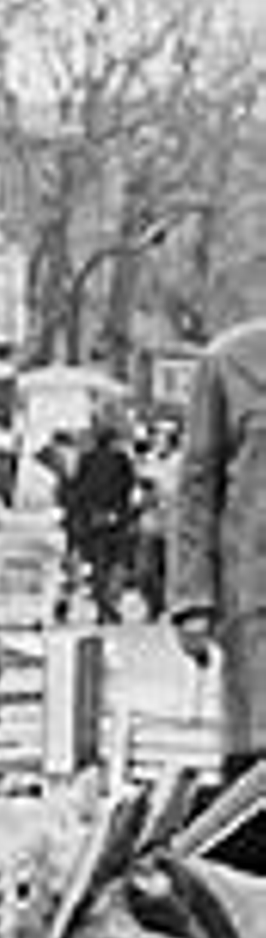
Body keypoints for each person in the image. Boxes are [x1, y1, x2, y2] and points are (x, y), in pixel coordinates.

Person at [170, 317, 266, 779]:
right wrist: (192, 601)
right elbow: (196, 489)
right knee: (254, 774)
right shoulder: (230, 361)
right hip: (255, 602)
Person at [63, 409, 136, 623]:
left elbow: (79, 489)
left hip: (93, 517)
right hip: (115, 517)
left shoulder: (87, 459)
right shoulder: (121, 459)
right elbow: (128, 486)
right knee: (115, 562)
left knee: (97, 564)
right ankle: (108, 605)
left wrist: (81, 513)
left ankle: (104, 606)